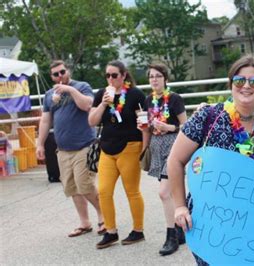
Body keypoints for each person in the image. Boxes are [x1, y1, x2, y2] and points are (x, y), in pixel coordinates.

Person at [168, 55, 254, 265]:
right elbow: (175, 160)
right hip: (211, 224)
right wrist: (180, 206)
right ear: (231, 84)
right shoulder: (208, 116)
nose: (246, 86)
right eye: (239, 80)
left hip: (253, 224)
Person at [36, 60, 105, 237]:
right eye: (56, 74)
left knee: (85, 184)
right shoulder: (50, 95)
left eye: (62, 72)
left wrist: (70, 90)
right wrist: (40, 143)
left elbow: (88, 105)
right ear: (51, 77)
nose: (60, 76)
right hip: (63, 149)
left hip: (86, 145)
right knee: (72, 187)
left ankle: (104, 217)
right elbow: (45, 120)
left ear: (68, 71)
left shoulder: (82, 86)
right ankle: (84, 222)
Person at [88, 60, 148, 249]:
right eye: (108, 75)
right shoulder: (101, 95)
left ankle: (138, 230)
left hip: (130, 146)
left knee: (132, 191)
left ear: (123, 75)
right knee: (104, 191)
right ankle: (111, 231)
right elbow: (92, 121)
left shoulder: (135, 94)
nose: (111, 79)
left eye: (115, 75)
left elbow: (145, 123)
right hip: (107, 147)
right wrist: (104, 104)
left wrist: (144, 149)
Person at [137, 64, 187, 256]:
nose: (154, 80)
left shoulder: (174, 99)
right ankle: (180, 228)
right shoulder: (149, 100)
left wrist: (169, 128)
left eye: (158, 76)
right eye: (151, 77)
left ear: (165, 79)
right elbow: (149, 128)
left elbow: (186, 126)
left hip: (174, 147)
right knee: (172, 192)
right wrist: (144, 146)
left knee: (164, 193)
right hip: (157, 146)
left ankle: (171, 236)